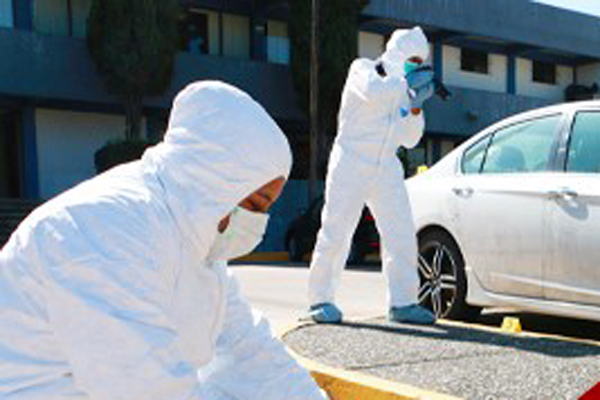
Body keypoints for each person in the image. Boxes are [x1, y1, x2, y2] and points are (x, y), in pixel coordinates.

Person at [0, 81, 326, 399]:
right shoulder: (105, 230)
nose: (257, 222)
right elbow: (146, 387)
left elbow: (248, 350)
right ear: (215, 182)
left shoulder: (192, 242)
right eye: (254, 204)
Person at [307, 27, 437, 325]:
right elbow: (373, 92)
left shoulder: (405, 91)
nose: (415, 65)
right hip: (351, 160)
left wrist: (416, 108)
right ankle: (320, 299)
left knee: (401, 234)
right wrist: (406, 87)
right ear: (397, 52)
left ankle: (403, 303)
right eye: (412, 59)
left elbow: (410, 140)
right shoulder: (364, 70)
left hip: (387, 165)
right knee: (336, 231)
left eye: (420, 62)